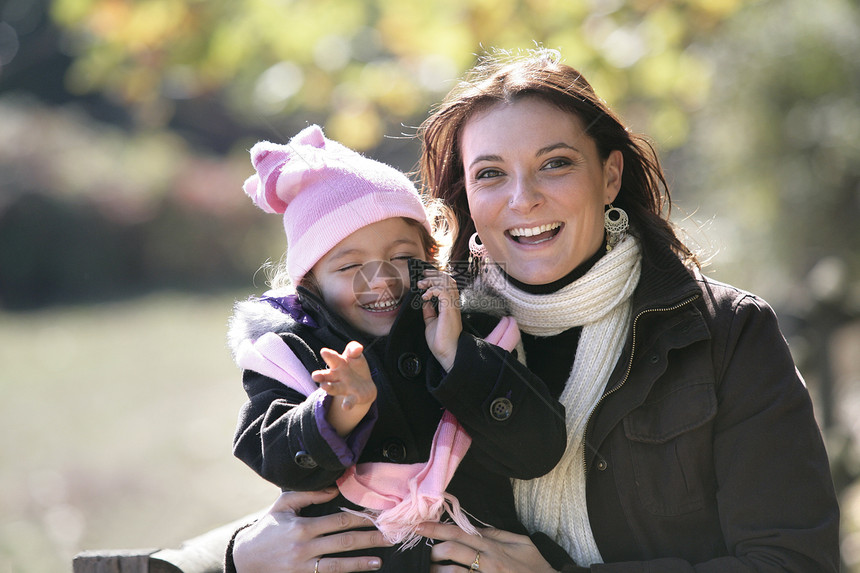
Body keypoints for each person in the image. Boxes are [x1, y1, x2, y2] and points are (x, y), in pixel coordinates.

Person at [228, 48, 840, 572]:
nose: (523, 199)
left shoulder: (723, 334)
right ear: (464, 196)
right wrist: (242, 554)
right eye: (491, 173)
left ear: (609, 176)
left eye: (555, 163)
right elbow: (344, 490)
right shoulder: (425, 337)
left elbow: (793, 561)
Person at [226, 124, 567, 572]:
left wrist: (454, 356)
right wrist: (338, 411)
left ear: (431, 254)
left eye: (403, 258)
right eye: (349, 265)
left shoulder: (475, 332)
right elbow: (279, 463)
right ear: (310, 281)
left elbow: (537, 451)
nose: (383, 279)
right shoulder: (290, 354)